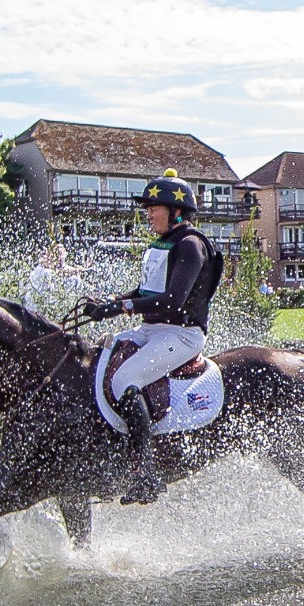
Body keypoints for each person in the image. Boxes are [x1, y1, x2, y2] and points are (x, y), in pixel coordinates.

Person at [82, 169, 224, 505]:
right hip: (152, 330)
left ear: (176, 211)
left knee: (125, 378)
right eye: (147, 209)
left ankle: (145, 473)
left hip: (182, 335)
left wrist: (123, 307)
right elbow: (147, 291)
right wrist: (111, 303)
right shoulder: (163, 244)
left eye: (153, 208)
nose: (148, 214)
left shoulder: (190, 245)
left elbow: (173, 300)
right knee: (104, 353)